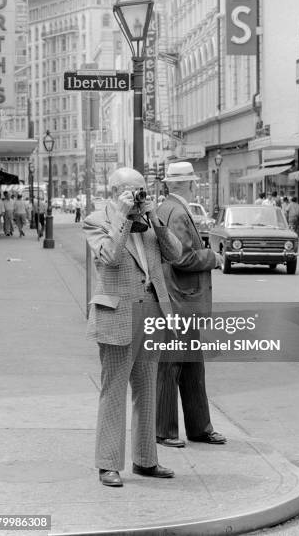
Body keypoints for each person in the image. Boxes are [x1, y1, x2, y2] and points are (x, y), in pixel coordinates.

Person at [83, 167, 182, 488]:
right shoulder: (96, 220)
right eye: (133, 191)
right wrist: (124, 217)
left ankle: (146, 460)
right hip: (117, 315)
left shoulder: (149, 223)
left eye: (143, 190)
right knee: (114, 391)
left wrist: (156, 220)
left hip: (151, 313)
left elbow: (176, 254)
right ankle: (108, 464)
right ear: (115, 192)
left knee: (147, 389)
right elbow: (109, 257)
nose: (140, 196)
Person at [156, 161, 227, 448]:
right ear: (190, 184)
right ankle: (165, 430)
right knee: (173, 365)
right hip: (180, 299)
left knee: (191, 365)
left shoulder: (168, 208)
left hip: (180, 298)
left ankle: (199, 426)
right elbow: (181, 258)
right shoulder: (176, 212)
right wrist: (214, 258)